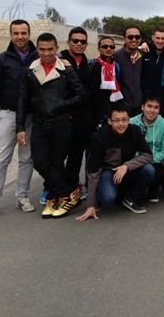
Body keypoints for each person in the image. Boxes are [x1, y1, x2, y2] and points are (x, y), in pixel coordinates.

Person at [16, 32, 85, 219]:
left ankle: (54, 198)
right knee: (40, 162)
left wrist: (60, 105)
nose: (46, 53)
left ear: (56, 49)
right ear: (37, 49)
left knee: (56, 162)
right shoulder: (29, 70)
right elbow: (22, 99)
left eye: (50, 49)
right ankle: (70, 193)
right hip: (39, 124)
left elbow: (80, 95)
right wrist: (20, 127)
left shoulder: (66, 70)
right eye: (42, 49)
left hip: (60, 123)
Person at [0, 19, 38, 220]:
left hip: (31, 116)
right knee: (0, 160)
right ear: (11, 35)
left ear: (29, 34)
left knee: (27, 158)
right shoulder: (1, 60)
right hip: (8, 114)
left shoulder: (38, 57)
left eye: (24, 33)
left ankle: (22, 197)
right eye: (16, 33)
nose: (20, 37)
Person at [76, 103, 155, 221]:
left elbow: (148, 155)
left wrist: (127, 166)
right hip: (107, 172)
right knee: (108, 198)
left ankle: (130, 198)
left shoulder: (135, 131)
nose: (121, 124)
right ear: (109, 121)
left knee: (149, 169)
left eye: (124, 120)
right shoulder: (100, 136)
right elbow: (93, 171)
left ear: (129, 120)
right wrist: (90, 205)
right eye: (116, 120)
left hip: (126, 170)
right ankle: (101, 196)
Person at [59, 26, 93, 201]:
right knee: (58, 155)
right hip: (63, 115)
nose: (79, 44)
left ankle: (72, 188)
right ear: (68, 42)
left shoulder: (88, 63)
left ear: (87, 44)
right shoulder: (59, 60)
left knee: (76, 155)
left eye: (82, 41)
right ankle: (53, 188)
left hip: (83, 117)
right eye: (75, 41)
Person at [129, 93, 164, 203]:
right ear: (142, 107)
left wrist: (147, 161)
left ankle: (153, 189)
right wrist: (138, 161)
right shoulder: (131, 122)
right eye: (149, 106)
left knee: (154, 170)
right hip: (134, 160)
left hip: (155, 160)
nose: (152, 110)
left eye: (156, 107)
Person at [89, 36, 123, 127]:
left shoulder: (117, 66)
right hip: (98, 112)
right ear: (98, 49)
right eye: (105, 46)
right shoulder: (93, 65)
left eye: (111, 47)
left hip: (113, 110)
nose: (108, 49)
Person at [113, 26, 144, 116]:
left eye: (137, 37)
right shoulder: (115, 56)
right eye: (130, 37)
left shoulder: (144, 56)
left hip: (139, 107)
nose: (134, 40)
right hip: (121, 107)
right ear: (124, 39)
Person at [141, 25, 164, 98]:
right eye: (157, 38)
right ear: (152, 37)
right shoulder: (143, 51)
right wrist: (143, 43)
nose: (160, 41)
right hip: (145, 97)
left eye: (163, 38)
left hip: (163, 98)